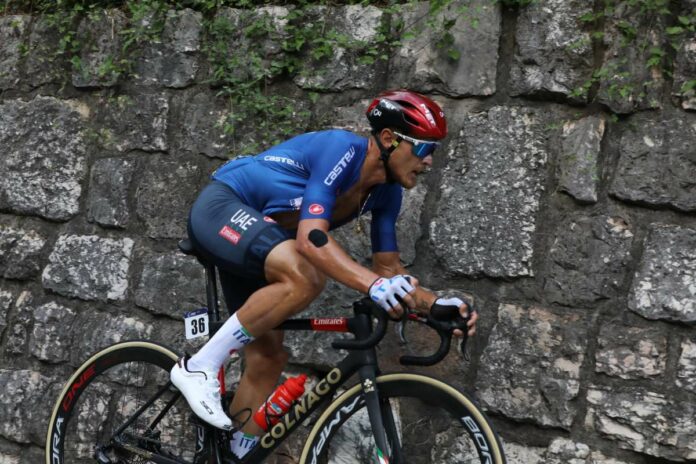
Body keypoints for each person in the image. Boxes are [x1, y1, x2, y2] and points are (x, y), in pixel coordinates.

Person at [170, 89, 479, 458]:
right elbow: (311, 239)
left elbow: (389, 270)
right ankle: (198, 368)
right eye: (424, 148)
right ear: (387, 138)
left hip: (262, 239)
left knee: (267, 358)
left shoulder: (386, 194)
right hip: (223, 207)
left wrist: (435, 305)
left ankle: (233, 455)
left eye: (434, 151)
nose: (428, 161)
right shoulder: (341, 150)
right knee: (305, 276)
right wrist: (374, 285)